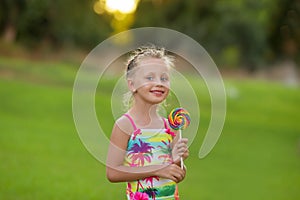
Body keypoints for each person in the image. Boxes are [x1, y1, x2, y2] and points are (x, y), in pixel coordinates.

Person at [106, 45, 189, 200]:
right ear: (132, 84)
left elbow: (177, 174)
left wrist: (178, 161)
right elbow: (112, 173)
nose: (159, 83)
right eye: (150, 77)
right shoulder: (125, 125)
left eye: (164, 78)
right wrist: (158, 169)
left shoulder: (171, 127)